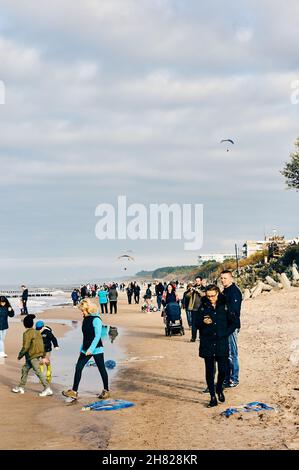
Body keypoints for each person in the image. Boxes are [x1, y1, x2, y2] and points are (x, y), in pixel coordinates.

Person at [198, 285, 238, 407]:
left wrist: (225, 333)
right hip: (207, 342)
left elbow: (235, 323)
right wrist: (203, 322)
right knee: (209, 371)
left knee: (223, 370)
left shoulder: (225, 305)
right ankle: (212, 397)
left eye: (213, 296)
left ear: (218, 293)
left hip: (221, 342)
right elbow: (196, 323)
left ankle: (219, 388)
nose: (210, 298)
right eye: (208, 296)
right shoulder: (203, 305)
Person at [62, 299, 109, 400]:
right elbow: (85, 336)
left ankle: (106, 390)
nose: (82, 313)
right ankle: (74, 392)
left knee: (101, 369)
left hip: (96, 349)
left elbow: (97, 336)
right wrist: (82, 348)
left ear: (88, 309)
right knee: (78, 367)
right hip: (85, 349)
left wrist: (91, 349)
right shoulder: (85, 319)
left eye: (83, 310)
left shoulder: (96, 319)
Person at [12, 314, 53, 396]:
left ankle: (47, 388)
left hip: (32, 356)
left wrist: (20, 355)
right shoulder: (37, 332)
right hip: (35, 355)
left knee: (38, 371)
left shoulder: (26, 333)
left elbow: (25, 346)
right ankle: (21, 386)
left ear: (24, 324)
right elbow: (42, 344)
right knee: (25, 369)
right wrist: (43, 355)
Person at [220, 270, 242, 388]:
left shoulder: (234, 292)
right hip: (224, 326)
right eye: (222, 278)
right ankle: (227, 378)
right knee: (225, 354)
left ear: (231, 278)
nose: (223, 280)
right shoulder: (225, 291)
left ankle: (234, 379)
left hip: (231, 327)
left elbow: (234, 313)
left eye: (225, 278)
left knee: (232, 354)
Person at [188, 277, 206, 342]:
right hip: (194, 309)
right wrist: (191, 291)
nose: (197, 282)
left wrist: (198, 291)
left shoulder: (204, 288)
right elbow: (187, 296)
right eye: (196, 281)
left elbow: (204, 295)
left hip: (202, 308)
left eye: (198, 281)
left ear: (201, 281)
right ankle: (193, 337)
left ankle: (201, 337)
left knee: (202, 323)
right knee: (194, 324)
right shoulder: (193, 287)